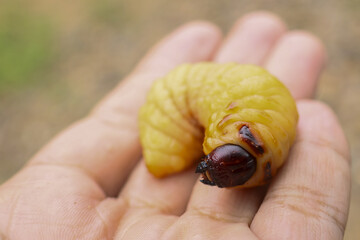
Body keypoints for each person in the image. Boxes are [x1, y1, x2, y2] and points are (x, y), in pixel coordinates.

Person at [0, 11, 350, 239]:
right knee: (164, 154)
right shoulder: (233, 103)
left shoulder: (246, 114)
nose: (220, 173)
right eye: (233, 161)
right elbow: (165, 150)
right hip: (171, 109)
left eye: (237, 167)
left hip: (192, 111)